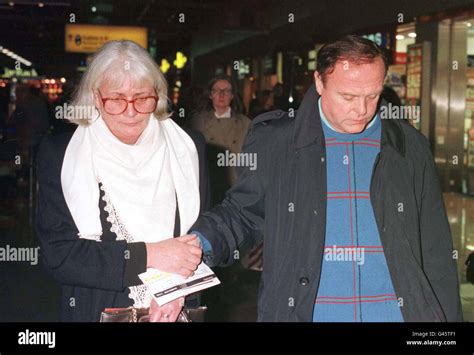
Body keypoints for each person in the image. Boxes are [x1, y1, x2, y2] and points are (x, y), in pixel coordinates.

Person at [190, 35, 463, 322]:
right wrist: (199, 243)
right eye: (348, 97)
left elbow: (436, 251)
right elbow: (242, 214)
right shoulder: (278, 142)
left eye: (372, 95)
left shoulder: (409, 147)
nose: (362, 109)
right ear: (320, 83)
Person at [35, 40, 210, 322]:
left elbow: (206, 232)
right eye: (116, 99)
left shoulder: (188, 147)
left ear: (158, 95)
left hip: (177, 309)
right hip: (95, 310)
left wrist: (178, 288)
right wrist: (149, 256)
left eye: (142, 98)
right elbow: (59, 256)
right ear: (95, 96)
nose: (130, 112)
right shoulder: (61, 154)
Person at [190, 75, 251, 188]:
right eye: (217, 90)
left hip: (235, 184)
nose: (221, 94)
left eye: (226, 91)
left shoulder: (245, 124)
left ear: (232, 95)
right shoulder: (198, 122)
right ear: (210, 95)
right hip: (208, 184)